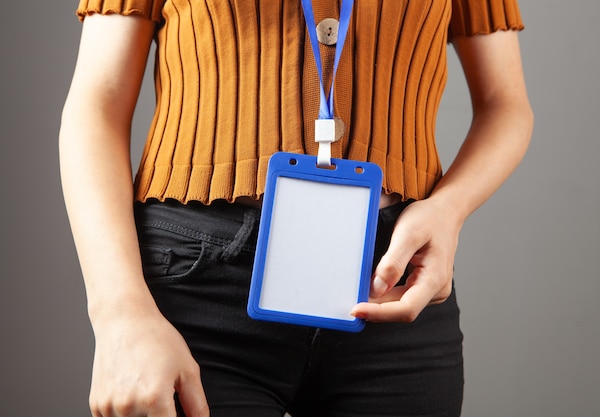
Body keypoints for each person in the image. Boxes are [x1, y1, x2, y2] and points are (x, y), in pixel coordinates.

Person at [59, 0, 533, 416]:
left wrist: (448, 210)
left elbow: (505, 104)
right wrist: (119, 313)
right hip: (195, 286)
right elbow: (96, 104)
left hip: (393, 277)